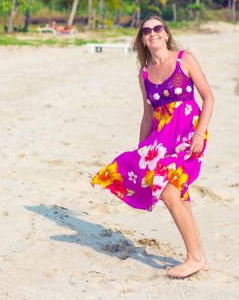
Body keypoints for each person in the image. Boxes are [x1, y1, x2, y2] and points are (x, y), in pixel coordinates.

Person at [91, 16, 214, 279]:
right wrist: (141, 152)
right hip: (160, 141)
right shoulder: (144, 74)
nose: (153, 33)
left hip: (188, 136)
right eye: (147, 31)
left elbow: (208, 97)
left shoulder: (185, 59)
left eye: (157, 28)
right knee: (179, 195)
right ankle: (199, 256)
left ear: (166, 34)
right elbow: (148, 116)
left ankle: (194, 257)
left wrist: (200, 134)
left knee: (169, 194)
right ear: (142, 40)